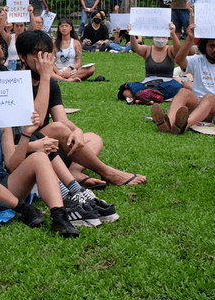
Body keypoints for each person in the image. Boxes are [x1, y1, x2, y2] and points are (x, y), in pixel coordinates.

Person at [0, 73, 83, 237]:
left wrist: (26, 134)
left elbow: (12, 164)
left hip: (2, 184)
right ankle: (24, 209)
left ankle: (59, 216)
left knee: (40, 157)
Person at [18, 30, 146, 187]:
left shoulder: (51, 84)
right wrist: (46, 76)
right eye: (36, 54)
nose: (43, 59)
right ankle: (108, 172)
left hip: (49, 148)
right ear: (22, 57)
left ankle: (74, 172)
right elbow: (34, 124)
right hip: (25, 148)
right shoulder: (16, 83)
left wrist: (77, 130)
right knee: (57, 128)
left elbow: (62, 119)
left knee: (93, 138)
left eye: (47, 53)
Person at [118, 22, 183, 104]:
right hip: (148, 84)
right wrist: (132, 34)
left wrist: (173, 33)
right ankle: (152, 97)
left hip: (166, 85)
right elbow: (136, 47)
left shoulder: (170, 50)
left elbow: (178, 50)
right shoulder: (147, 49)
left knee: (177, 87)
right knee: (126, 91)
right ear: (153, 36)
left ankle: (143, 97)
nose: (160, 38)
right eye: (157, 36)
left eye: (163, 36)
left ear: (167, 37)